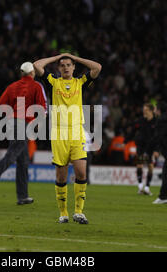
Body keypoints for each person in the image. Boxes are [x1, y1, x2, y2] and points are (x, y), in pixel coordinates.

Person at [34, 53, 102, 224]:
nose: (65, 67)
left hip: (77, 132)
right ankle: (63, 213)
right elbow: (36, 65)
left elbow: (97, 67)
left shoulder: (80, 82)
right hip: (59, 134)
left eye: (68, 65)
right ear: (58, 68)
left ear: (74, 67)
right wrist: (58, 56)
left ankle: (78, 212)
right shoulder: (53, 82)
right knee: (61, 177)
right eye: (62, 65)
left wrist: (74, 57)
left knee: (81, 172)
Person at [0, 62, 47, 205]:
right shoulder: (36, 86)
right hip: (25, 124)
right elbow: (43, 108)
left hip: (11, 123)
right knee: (12, 155)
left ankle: (22, 196)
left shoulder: (12, 86)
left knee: (23, 161)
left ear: (22, 73)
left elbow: (1, 105)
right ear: (32, 73)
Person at [133, 103, 157, 196]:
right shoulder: (141, 120)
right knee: (139, 165)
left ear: (151, 111)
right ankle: (140, 186)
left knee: (150, 167)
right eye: (144, 109)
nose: (144, 111)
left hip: (150, 147)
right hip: (141, 147)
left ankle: (147, 187)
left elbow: (157, 136)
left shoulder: (156, 121)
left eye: (146, 110)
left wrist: (156, 150)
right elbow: (134, 130)